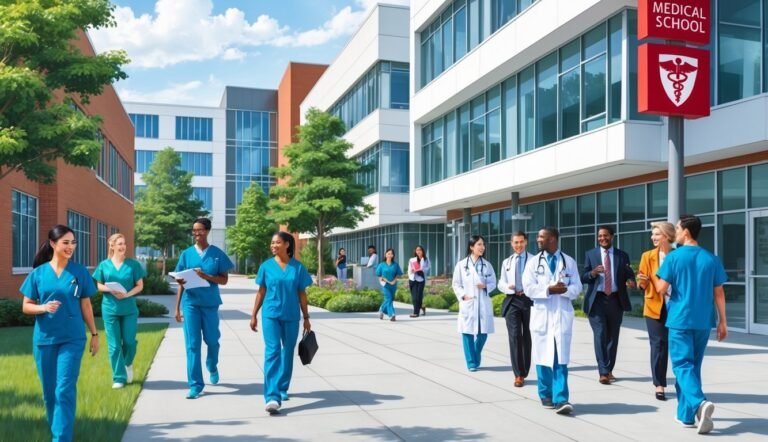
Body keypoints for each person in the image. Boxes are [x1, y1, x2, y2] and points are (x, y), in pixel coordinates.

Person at [20, 225, 99, 442]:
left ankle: (61, 438)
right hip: (44, 339)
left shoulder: (79, 272)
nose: (71, 247)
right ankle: (57, 431)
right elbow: (26, 306)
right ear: (53, 244)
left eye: (73, 242)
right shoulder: (38, 274)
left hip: (72, 338)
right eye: (66, 242)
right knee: (49, 393)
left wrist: (94, 334)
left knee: (64, 388)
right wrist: (43, 308)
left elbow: (86, 306)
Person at [654, 215, 727, 434]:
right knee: (692, 368)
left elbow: (660, 288)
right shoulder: (711, 259)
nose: (675, 231)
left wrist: (651, 275)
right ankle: (685, 416)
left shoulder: (674, 258)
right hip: (703, 321)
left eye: (676, 228)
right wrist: (723, 321)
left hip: (680, 319)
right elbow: (719, 293)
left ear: (686, 232)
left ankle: (699, 403)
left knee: (682, 366)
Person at [250, 232, 313, 414]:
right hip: (270, 314)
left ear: (287, 244)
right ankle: (272, 396)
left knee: (287, 353)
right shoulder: (266, 266)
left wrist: (306, 317)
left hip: (292, 315)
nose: (273, 245)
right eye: (272, 243)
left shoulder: (298, 268)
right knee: (273, 351)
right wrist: (254, 314)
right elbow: (261, 292)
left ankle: (282, 386)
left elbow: (302, 293)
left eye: (277, 242)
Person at [522, 227, 582, 415]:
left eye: (542, 237)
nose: (538, 239)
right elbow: (528, 288)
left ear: (553, 239)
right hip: (542, 316)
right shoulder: (533, 263)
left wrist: (565, 291)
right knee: (543, 357)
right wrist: (549, 289)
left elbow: (577, 286)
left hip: (561, 315)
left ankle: (561, 398)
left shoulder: (568, 262)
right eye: (538, 236)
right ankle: (545, 394)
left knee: (560, 358)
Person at [173, 217, 234, 399]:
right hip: (190, 304)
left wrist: (206, 276)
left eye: (199, 230)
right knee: (192, 345)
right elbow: (180, 282)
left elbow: (224, 280)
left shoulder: (216, 254)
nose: (196, 233)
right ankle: (195, 384)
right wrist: (177, 308)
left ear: (207, 231)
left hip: (209, 304)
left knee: (212, 340)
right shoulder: (186, 254)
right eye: (194, 230)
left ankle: (212, 364)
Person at [581, 225, 636, 384]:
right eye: (599, 236)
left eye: (605, 236)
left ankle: (609, 369)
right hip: (596, 301)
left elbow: (628, 274)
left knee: (613, 336)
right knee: (600, 334)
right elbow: (583, 277)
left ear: (612, 236)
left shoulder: (622, 255)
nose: (602, 238)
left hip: (615, 300)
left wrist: (630, 281)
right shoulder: (590, 254)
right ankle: (603, 372)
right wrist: (592, 273)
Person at [93, 233, 146, 389]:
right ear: (112, 246)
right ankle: (119, 377)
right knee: (114, 345)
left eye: (124, 243)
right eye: (120, 244)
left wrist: (126, 295)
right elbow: (98, 285)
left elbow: (140, 285)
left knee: (129, 342)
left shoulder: (133, 265)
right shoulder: (104, 265)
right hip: (110, 309)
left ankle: (128, 363)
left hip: (129, 309)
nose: (123, 246)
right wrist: (110, 289)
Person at [637, 221, 676, 401]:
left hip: (676, 306)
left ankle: (682, 383)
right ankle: (659, 384)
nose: (653, 237)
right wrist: (642, 281)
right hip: (654, 306)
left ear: (667, 236)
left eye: (657, 234)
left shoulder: (678, 255)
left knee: (675, 345)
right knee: (658, 345)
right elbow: (641, 284)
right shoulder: (647, 256)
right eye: (652, 234)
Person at [452, 235, 496, 372]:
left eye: (483, 244)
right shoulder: (461, 265)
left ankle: (475, 355)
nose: (482, 247)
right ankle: (471, 362)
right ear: (472, 247)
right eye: (479, 244)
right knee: (467, 333)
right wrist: (463, 296)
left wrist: (485, 286)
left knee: (483, 334)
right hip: (468, 303)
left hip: (482, 303)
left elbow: (493, 282)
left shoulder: (487, 265)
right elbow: (456, 284)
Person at [498, 231, 534, 387]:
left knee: (527, 335)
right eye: (515, 242)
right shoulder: (507, 262)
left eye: (521, 242)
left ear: (526, 242)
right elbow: (501, 282)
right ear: (511, 244)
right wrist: (507, 287)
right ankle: (518, 374)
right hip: (512, 300)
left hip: (529, 300)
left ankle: (525, 369)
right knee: (514, 336)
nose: (518, 245)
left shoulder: (534, 260)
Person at [376, 248, 403, 321]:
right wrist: (382, 281)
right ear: (385, 255)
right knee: (389, 298)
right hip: (385, 285)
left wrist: (394, 281)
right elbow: (379, 275)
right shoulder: (381, 265)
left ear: (393, 255)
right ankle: (392, 315)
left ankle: (382, 309)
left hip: (393, 285)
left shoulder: (395, 265)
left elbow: (398, 274)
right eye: (388, 253)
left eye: (391, 253)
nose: (390, 255)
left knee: (390, 299)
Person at [407, 245, 430, 318]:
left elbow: (428, 269)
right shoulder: (412, 260)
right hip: (413, 279)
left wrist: (421, 269)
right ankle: (421, 307)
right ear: (415, 251)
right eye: (417, 250)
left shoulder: (426, 260)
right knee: (414, 297)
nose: (418, 251)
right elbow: (409, 270)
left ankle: (415, 313)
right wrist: (412, 271)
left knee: (419, 296)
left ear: (422, 251)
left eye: (420, 250)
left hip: (421, 279)